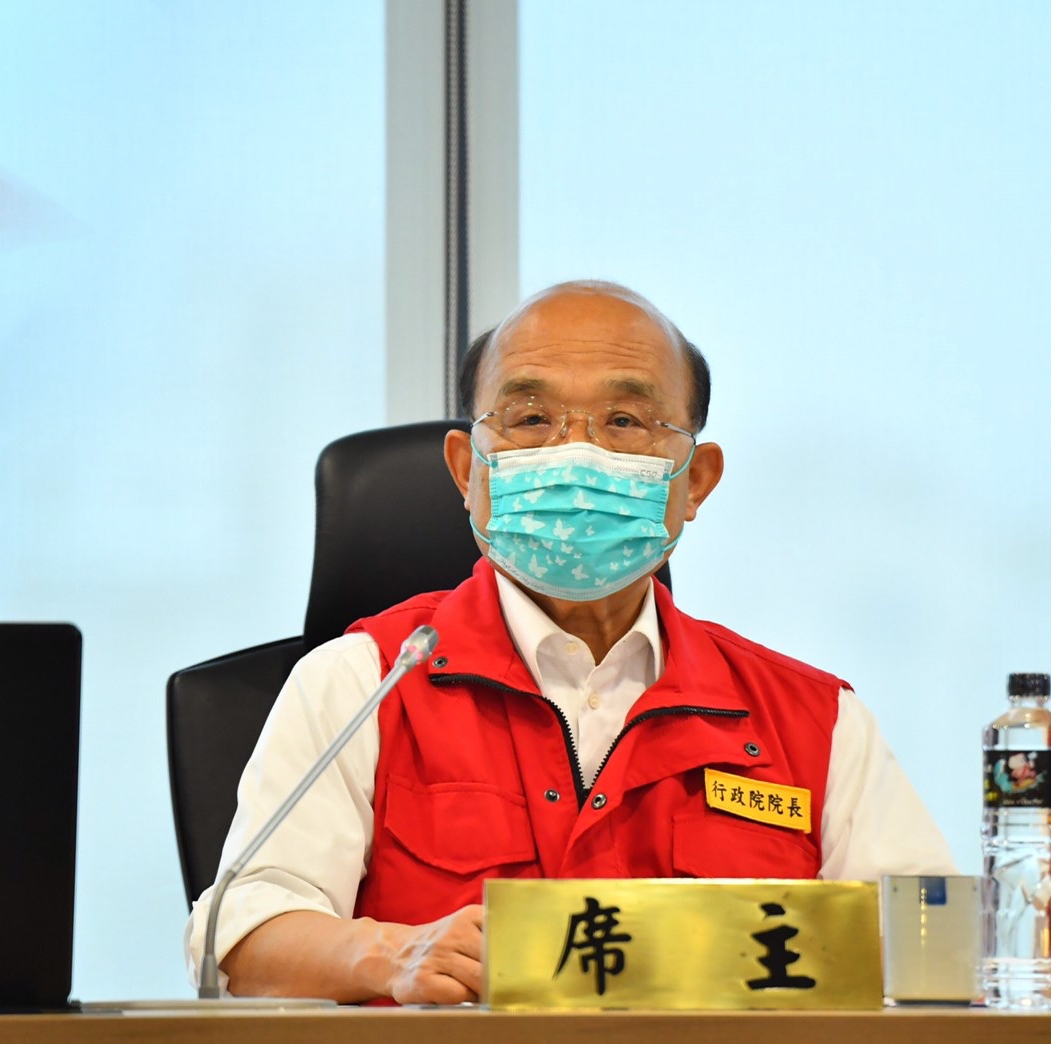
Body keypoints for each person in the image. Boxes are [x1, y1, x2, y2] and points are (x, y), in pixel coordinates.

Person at [185, 280, 955, 1003]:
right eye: (530, 420)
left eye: (624, 422)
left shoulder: (811, 719)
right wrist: (390, 954)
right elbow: (238, 934)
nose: (575, 456)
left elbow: (935, 954)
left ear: (694, 481)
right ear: (468, 470)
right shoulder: (363, 682)